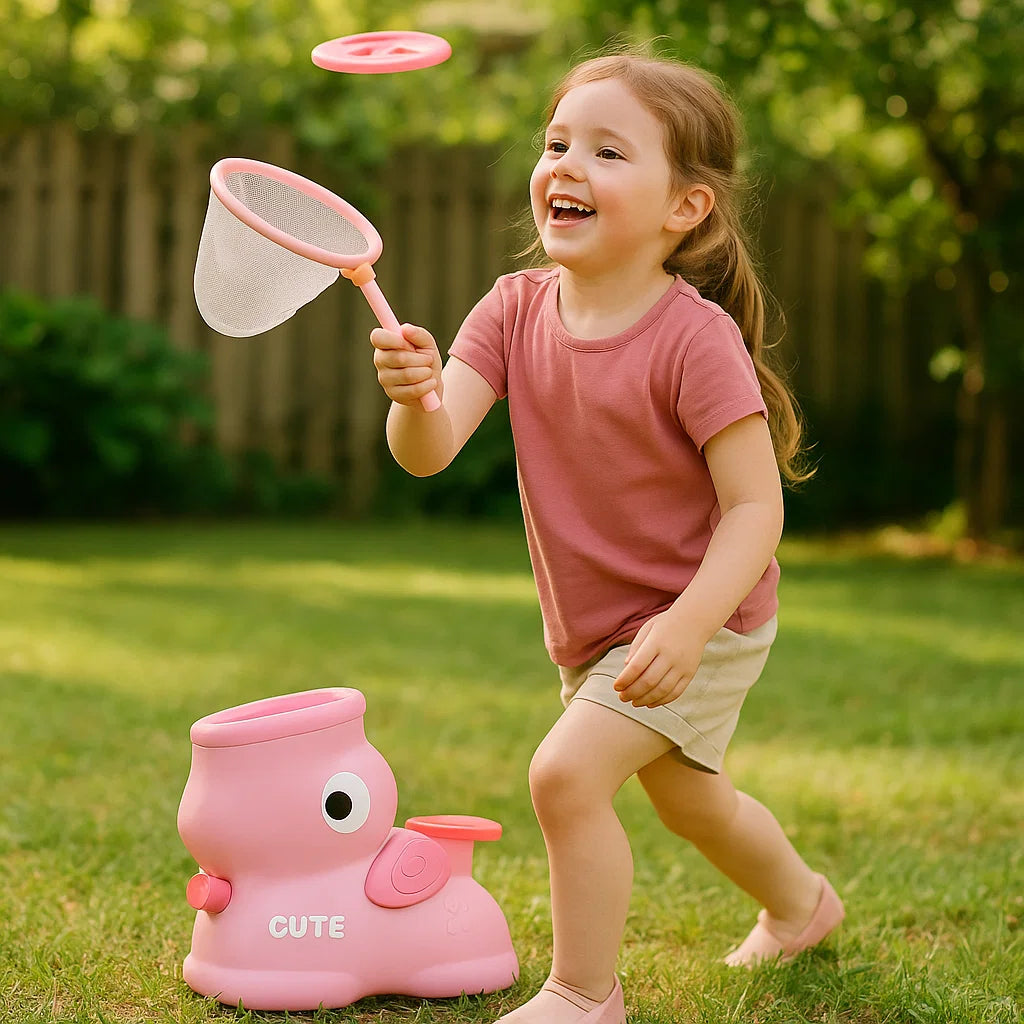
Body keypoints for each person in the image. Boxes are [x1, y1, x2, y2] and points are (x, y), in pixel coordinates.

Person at [370, 49, 845, 1024]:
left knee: (564, 773)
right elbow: (429, 449)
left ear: (686, 207)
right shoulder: (512, 309)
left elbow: (756, 508)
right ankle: (802, 907)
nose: (567, 165)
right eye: (556, 143)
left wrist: (685, 624)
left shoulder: (690, 337)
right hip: (597, 624)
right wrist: (414, 397)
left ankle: (584, 994)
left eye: (608, 150)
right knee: (687, 799)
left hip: (701, 613)